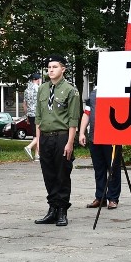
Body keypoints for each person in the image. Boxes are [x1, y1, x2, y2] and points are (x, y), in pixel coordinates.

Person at [34, 55, 81, 227]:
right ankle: (52, 209)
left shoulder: (70, 90)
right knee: (49, 175)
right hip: (45, 137)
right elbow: (38, 117)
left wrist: (70, 142)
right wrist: (38, 140)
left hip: (61, 136)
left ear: (63, 69)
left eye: (54, 67)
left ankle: (62, 210)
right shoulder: (43, 89)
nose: (51, 70)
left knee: (62, 174)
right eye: (49, 67)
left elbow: (73, 118)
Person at [79, 86, 121, 209]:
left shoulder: (116, 92)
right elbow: (87, 114)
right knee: (99, 169)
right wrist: (82, 132)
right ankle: (100, 197)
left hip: (112, 137)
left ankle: (113, 198)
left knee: (113, 168)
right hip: (95, 137)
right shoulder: (93, 94)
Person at [23, 72, 41, 160]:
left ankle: (37, 155)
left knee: (35, 134)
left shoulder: (27, 90)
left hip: (30, 114)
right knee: (39, 135)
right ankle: (29, 147)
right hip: (38, 114)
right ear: (38, 80)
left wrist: (27, 116)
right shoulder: (39, 89)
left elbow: (24, 104)